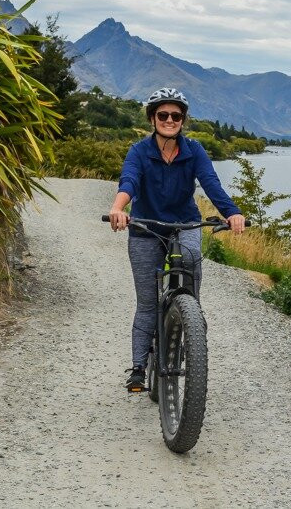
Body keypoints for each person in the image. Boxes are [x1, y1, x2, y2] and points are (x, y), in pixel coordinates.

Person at [107, 87, 245, 391]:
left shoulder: (194, 150)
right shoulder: (139, 151)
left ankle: (190, 322)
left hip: (185, 224)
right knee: (147, 302)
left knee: (191, 263)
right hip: (146, 226)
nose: (169, 120)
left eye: (176, 116)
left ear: (183, 120)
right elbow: (129, 181)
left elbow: (211, 184)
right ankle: (139, 367)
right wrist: (118, 208)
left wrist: (232, 212)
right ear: (152, 118)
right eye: (163, 115)